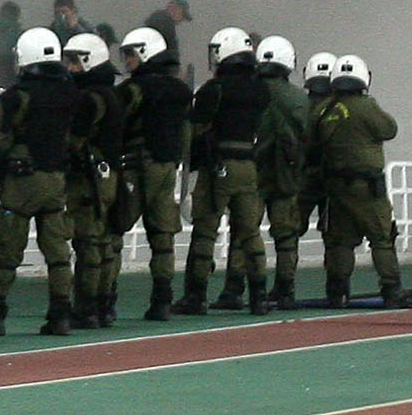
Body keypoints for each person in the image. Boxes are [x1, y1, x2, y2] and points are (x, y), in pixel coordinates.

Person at [0, 28, 82, 340]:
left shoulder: (16, 97)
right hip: (56, 179)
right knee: (57, 250)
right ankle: (61, 313)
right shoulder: (70, 93)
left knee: (9, 250)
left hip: (22, 181)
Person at [179, 27, 273, 314]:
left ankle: (195, 295)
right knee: (249, 232)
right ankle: (258, 295)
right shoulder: (260, 90)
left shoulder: (214, 89)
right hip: (248, 166)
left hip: (218, 166)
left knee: (205, 231)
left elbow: (197, 131)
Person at [312, 54, 412, 310]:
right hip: (367, 189)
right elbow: (389, 129)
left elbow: (311, 140)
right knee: (382, 238)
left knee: (340, 242)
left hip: (335, 188)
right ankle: (391, 290)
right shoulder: (367, 108)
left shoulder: (324, 110)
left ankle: (337, 293)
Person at [113, 25, 194, 323]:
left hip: (136, 167)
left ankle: (102, 302)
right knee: (162, 236)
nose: (127, 61)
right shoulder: (181, 91)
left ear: (146, 53)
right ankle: (162, 300)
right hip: (167, 168)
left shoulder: (132, 90)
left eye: (131, 55)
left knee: (112, 230)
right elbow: (187, 133)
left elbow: (115, 126)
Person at [56, 32, 119, 330]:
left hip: (88, 179)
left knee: (87, 242)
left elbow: (74, 141)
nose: (70, 68)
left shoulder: (89, 99)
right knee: (105, 242)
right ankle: (104, 304)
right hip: (108, 175)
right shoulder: (110, 94)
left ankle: (87, 306)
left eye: (74, 62)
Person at [254, 36, 313, 313]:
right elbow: (308, 137)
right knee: (286, 236)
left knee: (246, 233)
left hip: (253, 172)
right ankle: (285, 289)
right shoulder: (299, 98)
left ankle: (237, 287)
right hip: (287, 174)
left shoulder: (248, 91)